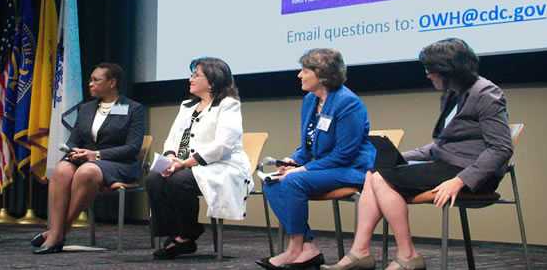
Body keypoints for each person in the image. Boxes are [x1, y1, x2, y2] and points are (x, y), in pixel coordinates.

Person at [324, 38, 513, 270]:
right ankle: (360, 252)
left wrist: (460, 180)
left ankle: (407, 255)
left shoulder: (486, 93)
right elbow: (440, 146)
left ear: (448, 69)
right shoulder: (453, 94)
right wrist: (400, 156)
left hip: (472, 174)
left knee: (382, 178)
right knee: (374, 173)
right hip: (447, 165)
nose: (427, 74)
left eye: (430, 69)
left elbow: (501, 148)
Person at [256, 48, 377, 270]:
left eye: (304, 70)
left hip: (353, 169)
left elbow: (344, 154)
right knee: (272, 181)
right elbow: (308, 146)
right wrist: (291, 162)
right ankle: (309, 247)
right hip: (324, 167)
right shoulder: (310, 100)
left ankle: (294, 248)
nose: (299, 75)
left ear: (322, 74)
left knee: (293, 181)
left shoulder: (348, 103)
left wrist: (301, 171)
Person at [31, 63, 147, 254]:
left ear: (112, 83)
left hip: (119, 164)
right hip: (86, 159)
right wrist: (74, 151)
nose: (90, 84)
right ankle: (57, 232)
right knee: (61, 169)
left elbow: (132, 148)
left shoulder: (133, 108)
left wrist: (97, 155)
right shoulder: (86, 109)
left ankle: (56, 233)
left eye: (96, 80)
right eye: (90, 79)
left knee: (87, 171)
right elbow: (73, 140)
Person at [146, 57, 252, 260]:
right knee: (154, 178)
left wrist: (183, 164)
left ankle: (186, 235)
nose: (190, 79)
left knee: (179, 180)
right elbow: (172, 139)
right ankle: (178, 234)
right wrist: (170, 158)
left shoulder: (228, 105)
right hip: (185, 164)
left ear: (212, 80)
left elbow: (223, 145)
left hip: (220, 165)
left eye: (196, 75)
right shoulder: (186, 106)